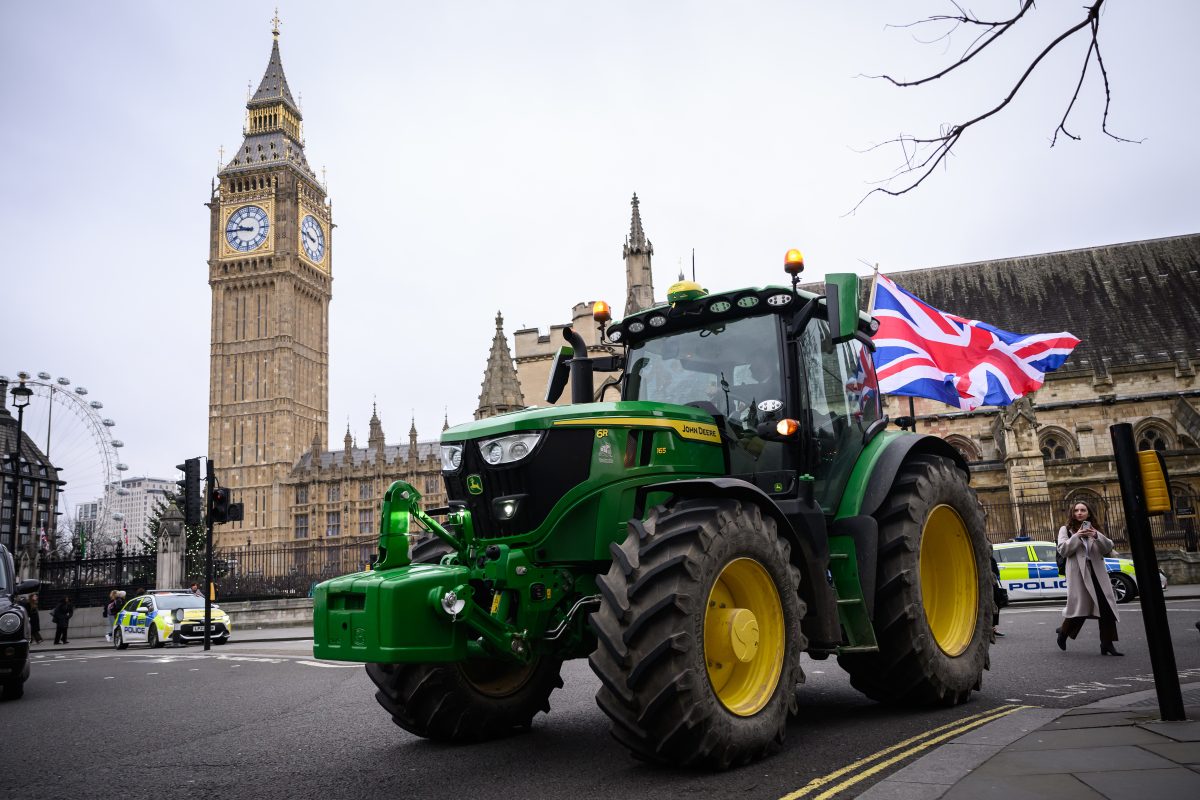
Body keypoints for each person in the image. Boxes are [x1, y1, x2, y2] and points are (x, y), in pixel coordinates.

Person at [1056, 501, 1122, 655]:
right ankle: (1063, 632)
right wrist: (1077, 537)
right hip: (1078, 573)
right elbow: (1063, 550)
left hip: (1097, 573)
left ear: (1089, 513)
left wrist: (1096, 535)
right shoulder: (1065, 529)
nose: (1079, 513)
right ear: (1072, 513)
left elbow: (1108, 548)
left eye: (1083, 510)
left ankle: (1107, 644)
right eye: (1076, 510)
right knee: (1081, 607)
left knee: (1106, 607)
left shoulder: (1095, 529)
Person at [991, 555, 1006, 638]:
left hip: (991, 583)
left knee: (994, 606)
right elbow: (995, 571)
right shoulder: (989, 558)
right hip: (991, 584)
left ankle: (992, 628)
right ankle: (992, 628)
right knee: (995, 605)